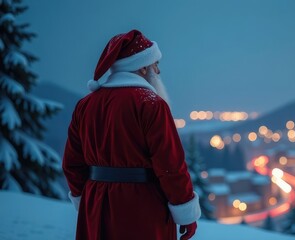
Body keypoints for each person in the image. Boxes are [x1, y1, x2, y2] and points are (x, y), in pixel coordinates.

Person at [62, 29, 201, 240]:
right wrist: (186, 213)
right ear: (143, 67)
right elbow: (170, 166)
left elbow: (71, 164)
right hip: (143, 207)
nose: (158, 70)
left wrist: (88, 200)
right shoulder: (151, 104)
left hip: (96, 205)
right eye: (156, 64)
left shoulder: (85, 105)